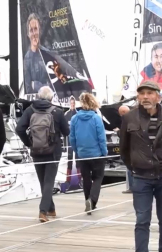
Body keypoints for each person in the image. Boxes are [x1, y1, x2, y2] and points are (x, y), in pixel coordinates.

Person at [120, 81, 162, 252]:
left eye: (149, 93)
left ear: (157, 96)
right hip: (141, 176)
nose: (145, 96)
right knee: (142, 220)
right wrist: (134, 166)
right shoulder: (129, 118)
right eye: (141, 93)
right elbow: (124, 149)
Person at [16, 86, 70, 222]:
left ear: (38, 97)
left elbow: (19, 129)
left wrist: (29, 143)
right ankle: (43, 211)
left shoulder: (30, 110)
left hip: (36, 150)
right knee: (49, 181)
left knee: (43, 181)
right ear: (51, 98)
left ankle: (51, 209)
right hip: (53, 151)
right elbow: (67, 132)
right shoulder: (57, 111)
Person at [69, 93, 107, 214]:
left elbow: (72, 138)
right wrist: (104, 152)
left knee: (86, 179)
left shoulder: (75, 118)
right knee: (98, 178)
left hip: (82, 154)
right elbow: (101, 138)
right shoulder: (96, 118)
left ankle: (87, 200)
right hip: (96, 154)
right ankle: (93, 200)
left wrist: (77, 150)